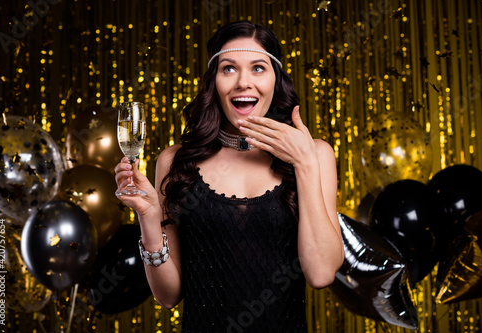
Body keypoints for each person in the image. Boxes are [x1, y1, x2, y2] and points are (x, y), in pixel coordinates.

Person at [114, 20, 344, 332]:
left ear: (276, 80)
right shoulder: (175, 162)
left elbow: (321, 274)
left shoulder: (315, 155)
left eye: (258, 68)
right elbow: (168, 296)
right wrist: (148, 216)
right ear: (214, 82)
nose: (243, 83)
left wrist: (303, 163)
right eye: (229, 69)